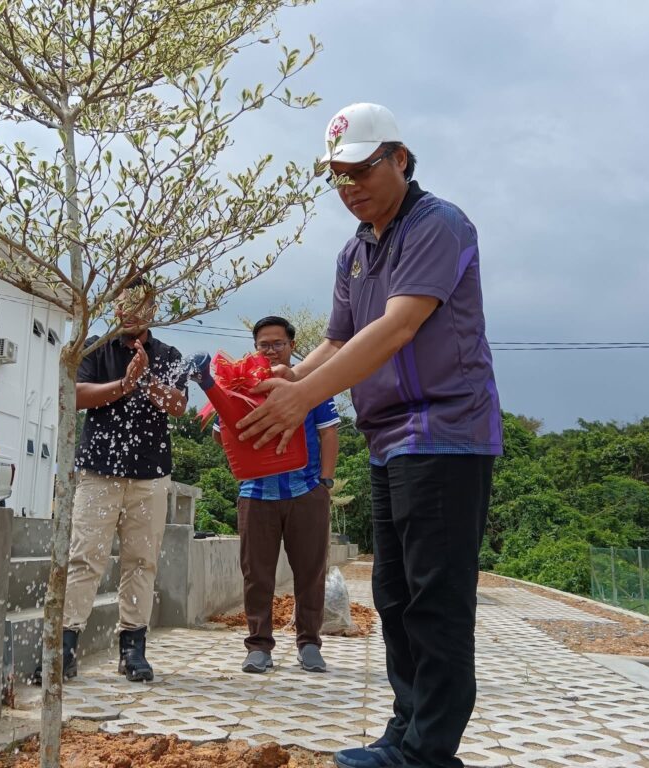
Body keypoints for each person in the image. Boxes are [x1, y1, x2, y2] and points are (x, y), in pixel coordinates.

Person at [235, 103, 502, 768]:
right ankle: (406, 731)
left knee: (435, 599)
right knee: (394, 595)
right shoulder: (354, 252)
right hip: (388, 441)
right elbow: (338, 340)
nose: (349, 186)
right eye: (338, 176)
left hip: (444, 434)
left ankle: (429, 752)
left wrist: (304, 397)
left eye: (361, 170)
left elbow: (398, 326)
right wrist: (291, 376)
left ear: (399, 159)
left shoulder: (437, 225)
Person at [35, 279, 187, 684]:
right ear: (115, 307)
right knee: (84, 557)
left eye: (140, 303)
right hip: (98, 471)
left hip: (150, 475)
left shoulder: (168, 355)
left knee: (141, 561)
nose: (131, 311)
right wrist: (124, 385)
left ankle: (132, 649)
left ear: (153, 309)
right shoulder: (94, 348)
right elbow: (75, 395)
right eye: (125, 303)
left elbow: (178, 405)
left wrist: (147, 380)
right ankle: (63, 648)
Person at [212, 316, 339, 675]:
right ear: (255, 348)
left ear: (291, 346)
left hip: (306, 490)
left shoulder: (311, 383)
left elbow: (329, 433)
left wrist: (325, 483)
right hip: (256, 494)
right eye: (263, 345)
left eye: (278, 344)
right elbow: (223, 433)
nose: (270, 351)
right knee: (257, 575)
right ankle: (258, 646)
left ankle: (309, 644)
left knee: (311, 572)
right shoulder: (238, 386)